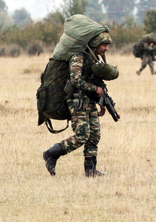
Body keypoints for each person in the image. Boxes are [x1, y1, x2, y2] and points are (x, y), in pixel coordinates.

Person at [43, 32, 112, 177]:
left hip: (90, 102)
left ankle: (90, 170)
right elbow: (76, 80)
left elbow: (98, 83)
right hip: (77, 100)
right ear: (95, 44)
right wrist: (95, 89)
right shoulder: (79, 57)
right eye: (104, 45)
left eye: (107, 45)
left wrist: (102, 102)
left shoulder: (95, 60)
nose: (106, 48)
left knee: (94, 135)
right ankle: (51, 154)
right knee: (82, 135)